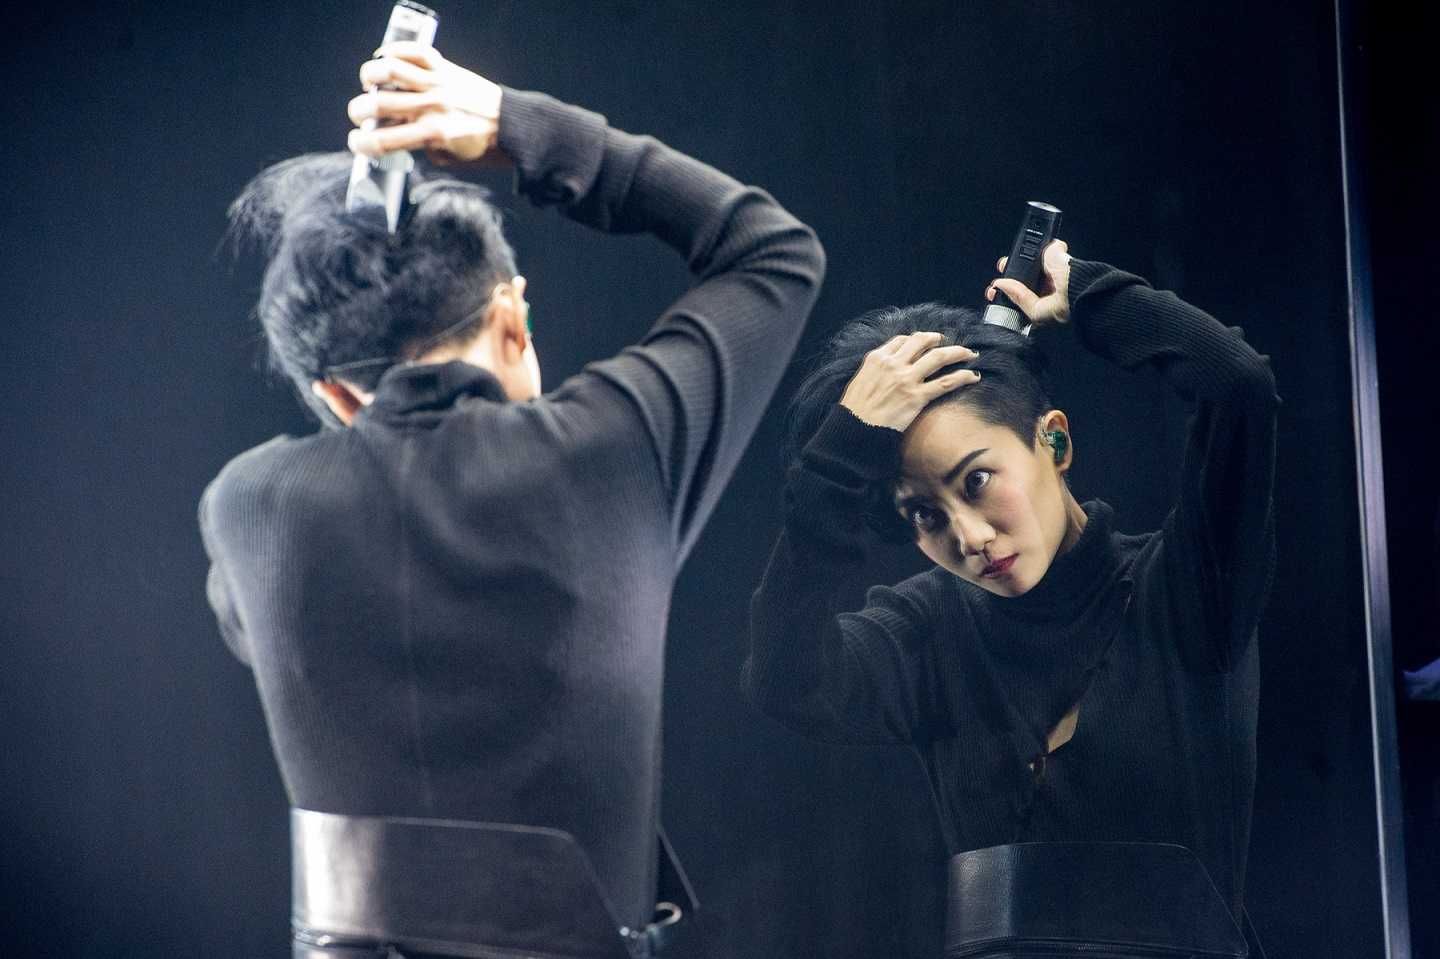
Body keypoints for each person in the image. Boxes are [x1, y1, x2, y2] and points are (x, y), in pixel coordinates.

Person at [200, 39, 824, 957]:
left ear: (334, 394)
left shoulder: (249, 505)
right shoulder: (613, 447)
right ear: (513, 315)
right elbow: (772, 250)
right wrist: (514, 125)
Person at [743, 241, 1278, 927]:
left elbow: (1240, 386)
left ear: (1053, 442)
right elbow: (785, 678)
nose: (968, 537)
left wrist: (1092, 297)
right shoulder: (929, 629)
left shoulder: (1185, 588)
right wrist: (839, 457)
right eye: (924, 514)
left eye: (976, 481)